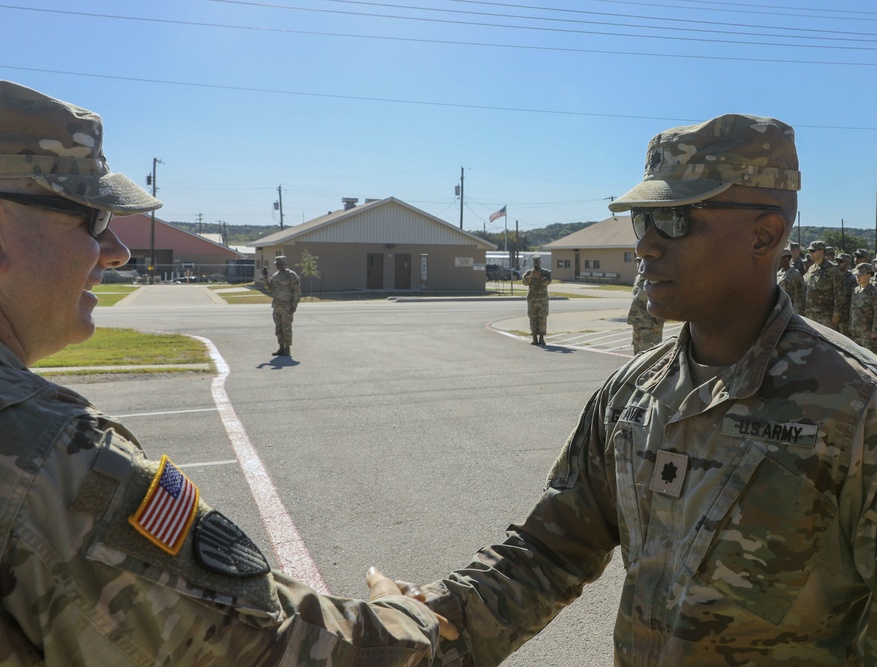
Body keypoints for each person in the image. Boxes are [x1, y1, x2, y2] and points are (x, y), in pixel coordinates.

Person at [420, 114, 877, 665]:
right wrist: (426, 626)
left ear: (765, 233)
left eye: (677, 220)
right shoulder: (633, 394)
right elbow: (546, 551)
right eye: (643, 221)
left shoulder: (866, 413)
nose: (645, 246)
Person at [0, 80, 454, 664]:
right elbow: (278, 648)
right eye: (91, 218)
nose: (116, 251)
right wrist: (412, 617)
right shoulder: (43, 460)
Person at [262, 255, 301, 356]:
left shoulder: (291, 275)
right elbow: (269, 288)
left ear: (284, 264)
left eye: (279, 264)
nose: (278, 266)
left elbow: (296, 290)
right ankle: (281, 347)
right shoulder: (275, 276)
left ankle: (287, 348)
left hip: (287, 306)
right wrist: (265, 276)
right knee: (278, 328)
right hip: (277, 306)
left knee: (286, 327)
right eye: (276, 264)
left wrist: (294, 304)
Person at [802, 239, 844, 328]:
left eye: (813, 251)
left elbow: (839, 293)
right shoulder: (811, 268)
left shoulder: (832, 270)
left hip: (825, 315)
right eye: (809, 251)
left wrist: (836, 314)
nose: (810, 253)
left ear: (821, 251)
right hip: (810, 314)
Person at [627, 262, 665, 354]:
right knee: (637, 353)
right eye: (638, 262)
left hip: (650, 326)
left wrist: (658, 323)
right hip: (637, 323)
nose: (639, 265)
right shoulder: (638, 278)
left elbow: (660, 302)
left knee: (650, 354)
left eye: (641, 262)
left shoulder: (654, 280)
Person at [849, 262, 877, 352]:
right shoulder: (855, 290)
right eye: (856, 275)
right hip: (855, 332)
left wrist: (875, 331)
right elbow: (852, 310)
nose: (858, 277)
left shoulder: (874, 293)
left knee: (870, 359)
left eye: (861, 275)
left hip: (868, 334)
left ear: (869, 275)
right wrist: (850, 326)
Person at [521, 255, 551, 346]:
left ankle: (541, 338)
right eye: (535, 263)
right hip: (532, 300)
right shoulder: (529, 272)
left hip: (543, 300)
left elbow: (548, 282)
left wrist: (540, 277)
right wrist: (531, 276)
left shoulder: (545, 272)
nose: (536, 265)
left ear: (540, 263)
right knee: (533, 318)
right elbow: (524, 283)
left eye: (537, 263)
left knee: (542, 319)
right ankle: (534, 338)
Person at [776, 245, 805, 312]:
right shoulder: (778, 273)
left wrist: (796, 312)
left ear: (787, 259)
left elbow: (799, 295)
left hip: (790, 310)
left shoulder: (794, 273)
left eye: (779, 258)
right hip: (780, 309)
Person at [835, 252, 856, 335]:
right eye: (837, 261)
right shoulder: (835, 276)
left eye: (841, 261)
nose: (838, 264)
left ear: (848, 264)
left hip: (846, 316)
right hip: (834, 314)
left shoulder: (852, 279)